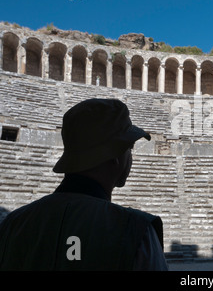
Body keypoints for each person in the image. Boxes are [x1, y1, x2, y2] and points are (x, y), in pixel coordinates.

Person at [0, 98, 168, 270]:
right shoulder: (136, 232)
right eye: (129, 148)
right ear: (115, 155)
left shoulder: (12, 224)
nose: (130, 157)